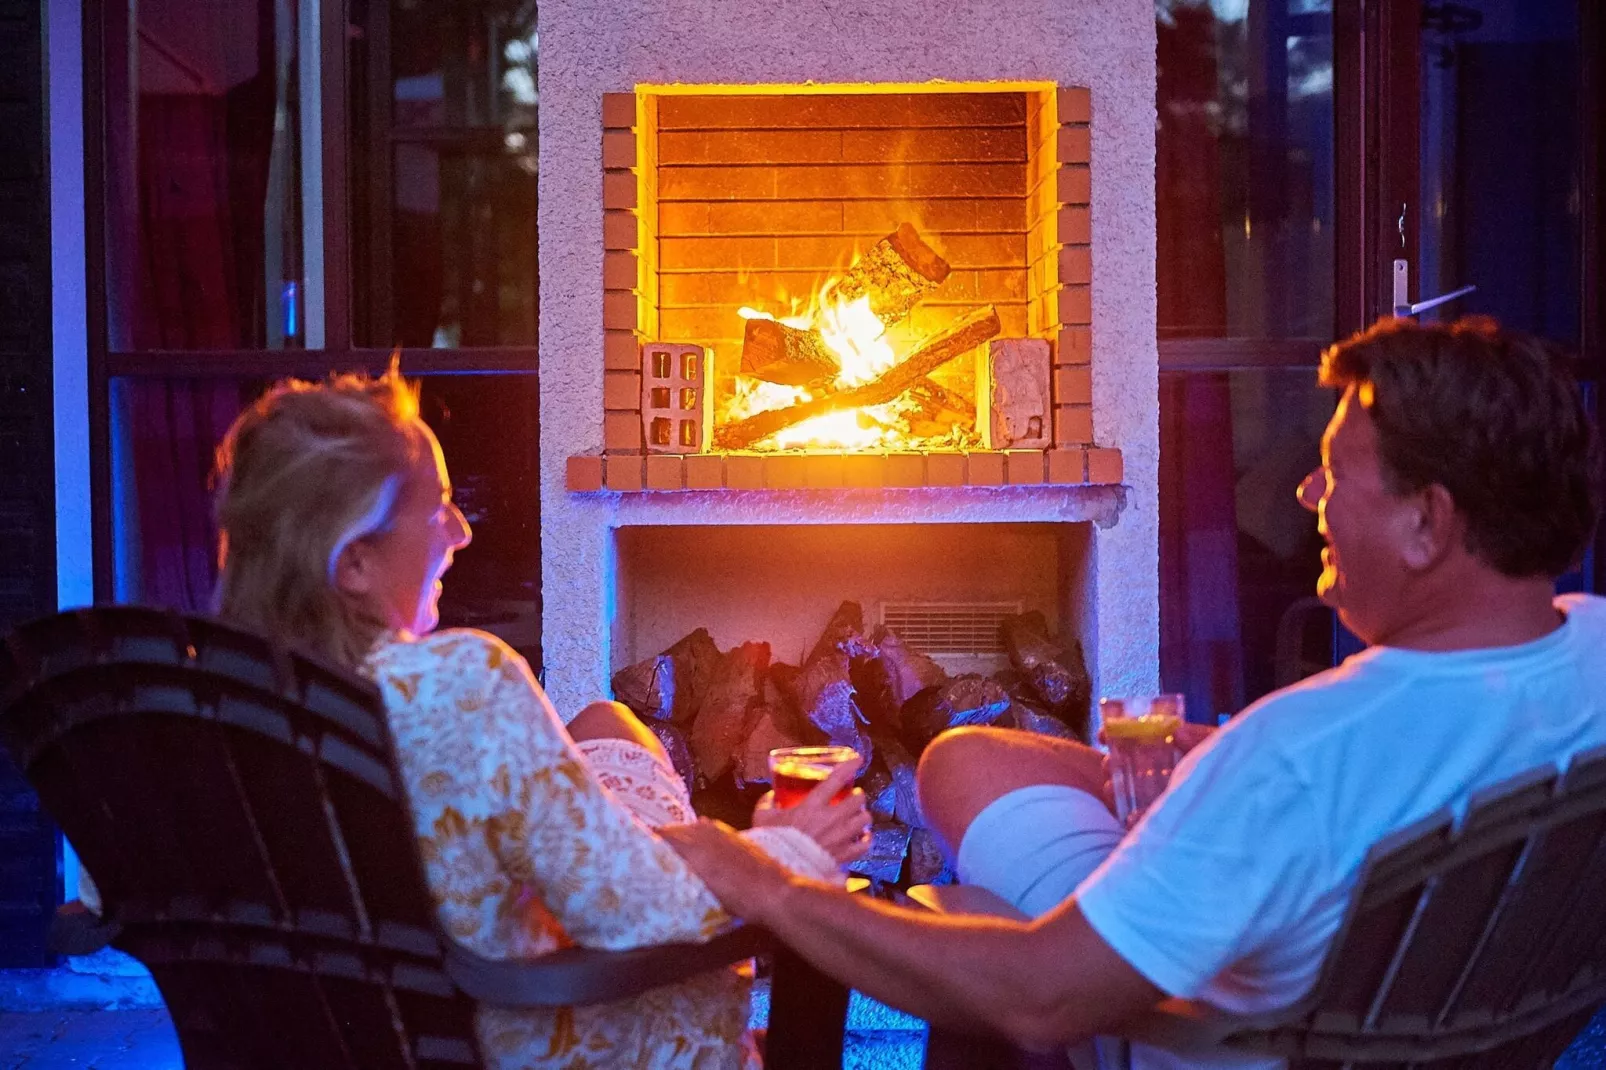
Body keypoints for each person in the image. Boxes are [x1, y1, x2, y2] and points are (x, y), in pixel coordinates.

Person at [661, 316, 1606, 1066]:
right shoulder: (1591, 647)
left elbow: (1043, 997)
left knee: (967, 912)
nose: (1308, 496)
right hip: (1358, 960)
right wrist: (1212, 754)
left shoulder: (1301, 756)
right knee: (963, 755)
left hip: (1186, 1023)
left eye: (1338, 475)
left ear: (1427, 524)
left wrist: (771, 883)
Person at [207, 366, 872, 1070]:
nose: (461, 533)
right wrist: (784, 850)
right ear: (356, 564)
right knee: (791, 875)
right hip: (517, 1046)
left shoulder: (210, 707)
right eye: (437, 511)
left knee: (606, 728)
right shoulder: (453, 689)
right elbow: (633, 911)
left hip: (319, 1044)